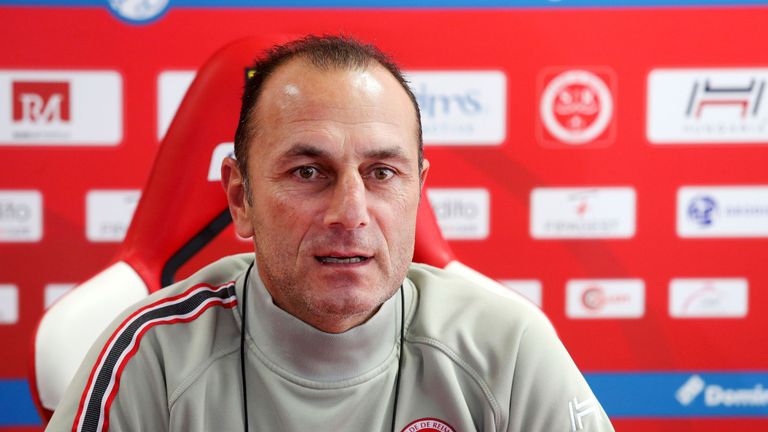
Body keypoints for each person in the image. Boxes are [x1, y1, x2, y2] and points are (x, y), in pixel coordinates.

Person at [47, 35, 615, 432]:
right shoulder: (148, 355)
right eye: (308, 172)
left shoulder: (506, 347)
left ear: (417, 191)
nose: (350, 213)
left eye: (382, 173)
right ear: (240, 198)